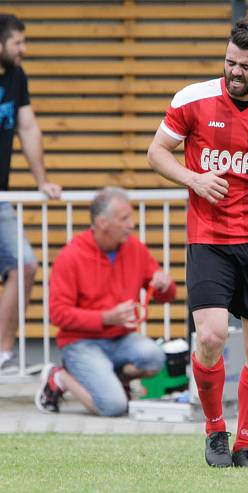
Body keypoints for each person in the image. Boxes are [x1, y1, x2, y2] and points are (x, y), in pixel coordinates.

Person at [146, 17, 248, 468]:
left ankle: (244, 444)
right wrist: (194, 179)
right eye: (229, 62)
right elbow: (156, 152)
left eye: (244, 65)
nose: (234, 72)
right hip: (210, 239)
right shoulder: (193, 99)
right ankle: (215, 429)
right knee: (213, 336)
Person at [35, 187, 176, 416]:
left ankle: (113, 378)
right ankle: (59, 377)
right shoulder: (70, 257)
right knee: (113, 407)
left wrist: (165, 284)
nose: (131, 224)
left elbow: (167, 295)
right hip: (80, 343)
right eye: (125, 219)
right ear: (102, 223)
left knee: (154, 357)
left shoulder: (134, 248)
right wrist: (106, 317)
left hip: (121, 338)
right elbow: (58, 314)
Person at [0, 14, 61, 374]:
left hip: (1, 199)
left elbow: (28, 127)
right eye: (18, 43)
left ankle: (2, 354)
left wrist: (42, 181)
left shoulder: (16, 77)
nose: (23, 49)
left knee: (23, 265)